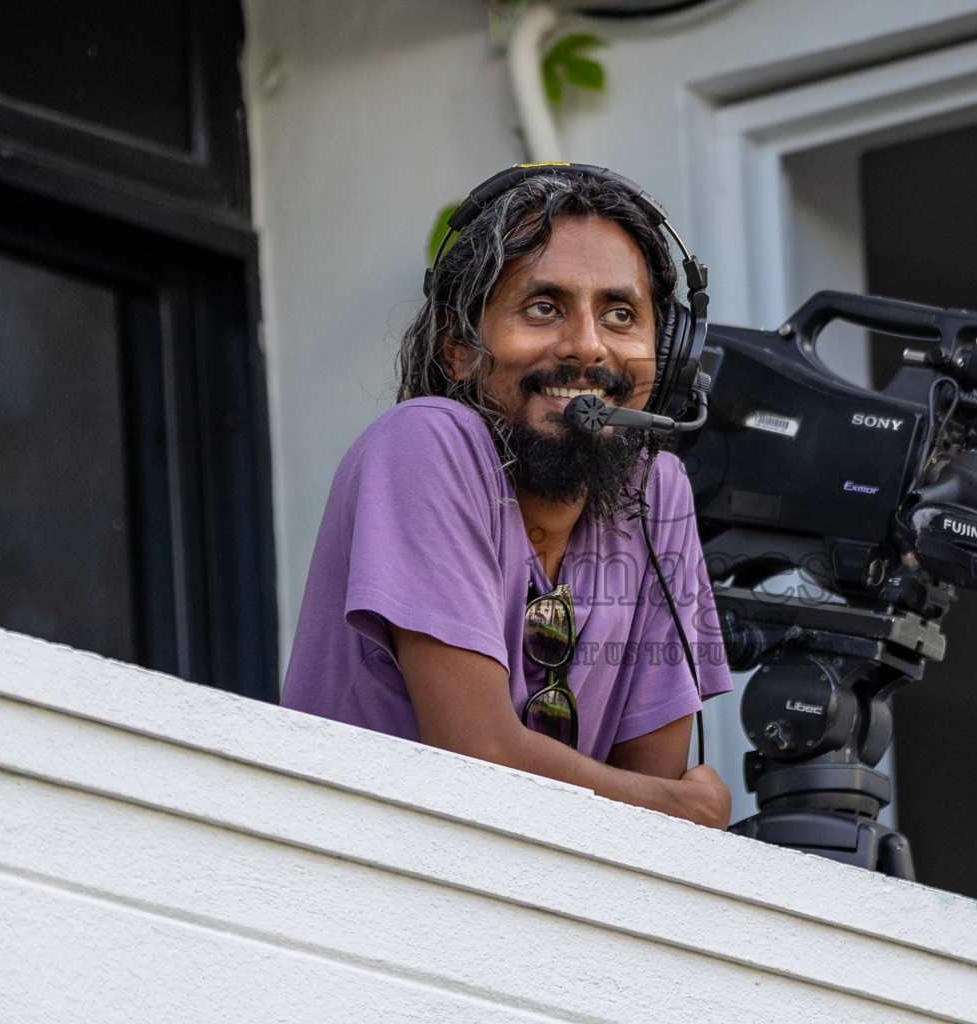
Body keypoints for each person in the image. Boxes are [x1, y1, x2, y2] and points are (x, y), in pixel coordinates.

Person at [282, 165, 733, 829]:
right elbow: (480, 758)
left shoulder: (655, 492)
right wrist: (679, 806)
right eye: (545, 307)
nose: (587, 345)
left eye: (619, 314)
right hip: (364, 896)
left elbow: (655, 835)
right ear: (460, 347)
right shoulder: (426, 442)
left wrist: (666, 809)